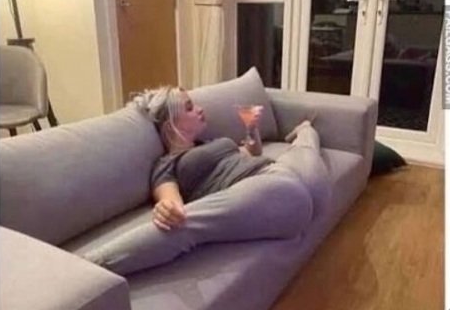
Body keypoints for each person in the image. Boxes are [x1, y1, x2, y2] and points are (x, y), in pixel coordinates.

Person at [83, 86, 331, 275]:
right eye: (189, 107)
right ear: (171, 124)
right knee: (182, 222)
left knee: (307, 148)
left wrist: (251, 129)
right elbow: (172, 203)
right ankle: (88, 267)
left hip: (292, 178)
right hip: (269, 191)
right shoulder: (166, 165)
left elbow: (250, 152)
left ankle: (304, 129)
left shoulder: (210, 142)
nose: (200, 109)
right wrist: (166, 208)